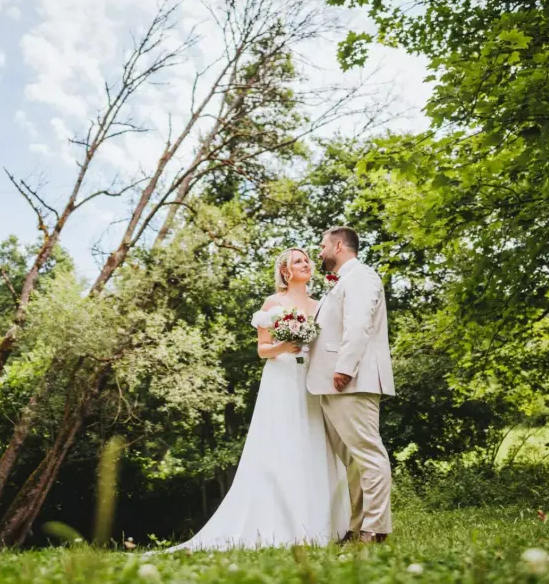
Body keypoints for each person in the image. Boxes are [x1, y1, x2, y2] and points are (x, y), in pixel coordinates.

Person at [169, 248, 349, 550]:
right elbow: (263, 349)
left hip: (312, 380)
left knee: (315, 441)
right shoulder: (273, 303)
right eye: (297, 261)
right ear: (285, 270)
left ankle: (321, 522)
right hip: (281, 379)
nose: (305, 263)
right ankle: (278, 523)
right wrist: (286, 346)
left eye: (307, 259)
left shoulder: (320, 305)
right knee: (282, 443)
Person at [308, 226, 395, 544]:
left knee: (368, 454)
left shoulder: (361, 276)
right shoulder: (341, 282)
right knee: (352, 460)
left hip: (351, 381)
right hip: (332, 383)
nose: (319, 252)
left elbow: (358, 325)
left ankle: (375, 529)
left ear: (339, 245)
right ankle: (358, 526)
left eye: (322, 246)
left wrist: (344, 369)